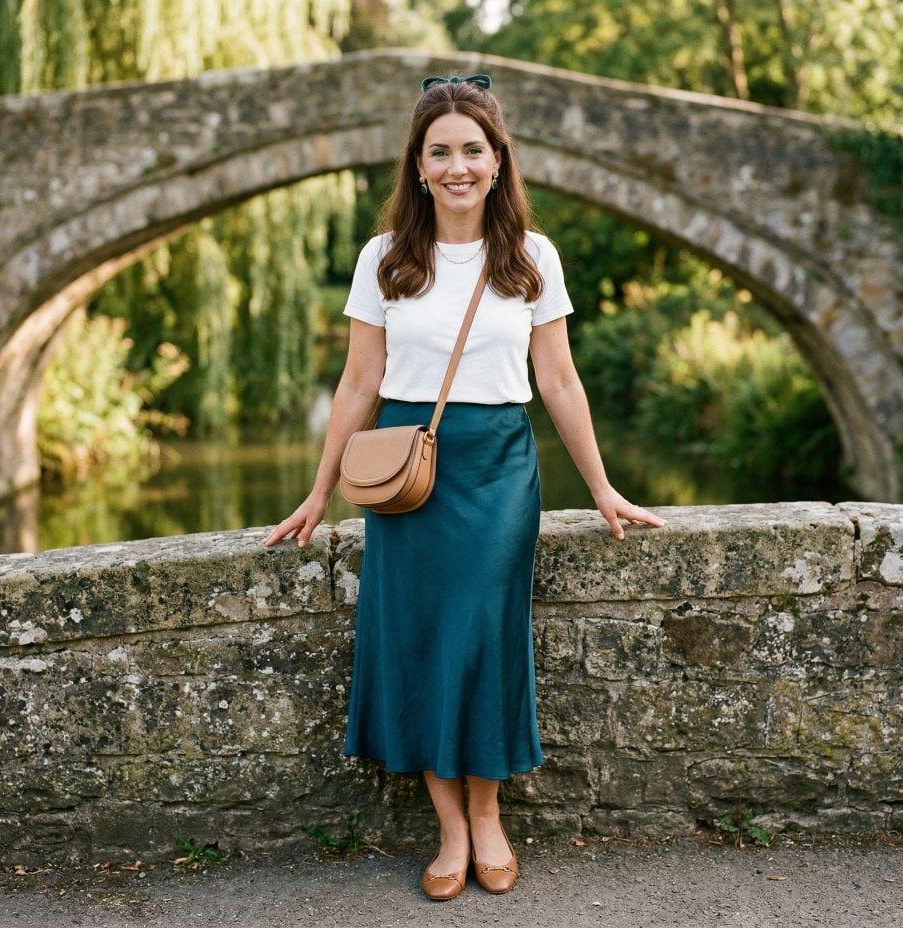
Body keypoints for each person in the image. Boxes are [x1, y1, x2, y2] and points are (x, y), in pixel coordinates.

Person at [263, 74, 665, 901]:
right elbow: (357, 383)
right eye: (439, 151)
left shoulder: (530, 256)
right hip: (406, 472)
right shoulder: (384, 260)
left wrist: (601, 488)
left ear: (496, 160)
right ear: (416, 165)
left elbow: (557, 380)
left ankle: (489, 816)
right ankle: (450, 830)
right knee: (417, 638)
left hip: (498, 468)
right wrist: (317, 491)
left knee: (482, 636)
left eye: (471, 150)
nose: (457, 166)